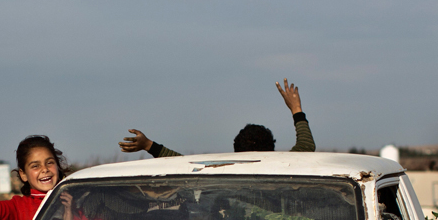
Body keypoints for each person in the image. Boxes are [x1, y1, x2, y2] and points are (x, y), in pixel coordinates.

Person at [119, 79, 315, 157]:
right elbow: (306, 147)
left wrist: (148, 145)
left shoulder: (224, 176)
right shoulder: (282, 172)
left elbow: (182, 165)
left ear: (236, 149)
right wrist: (296, 109)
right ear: (271, 150)